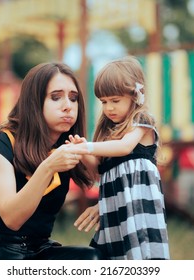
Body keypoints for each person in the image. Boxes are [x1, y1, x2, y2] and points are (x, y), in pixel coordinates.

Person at [0, 62, 103, 260]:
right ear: (34, 101)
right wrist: (48, 167)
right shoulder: (2, 142)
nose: (68, 106)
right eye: (56, 97)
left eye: (73, 98)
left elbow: (115, 178)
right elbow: (12, 219)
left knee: (93, 259)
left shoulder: (66, 145)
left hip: (38, 249)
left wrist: (104, 204)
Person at [69, 56, 170, 260]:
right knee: (116, 254)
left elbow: (125, 147)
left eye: (115, 101)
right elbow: (97, 168)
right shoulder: (108, 131)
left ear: (135, 95)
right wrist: (79, 150)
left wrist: (88, 147)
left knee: (140, 252)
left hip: (138, 206)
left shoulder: (141, 121)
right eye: (104, 102)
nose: (108, 108)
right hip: (115, 206)